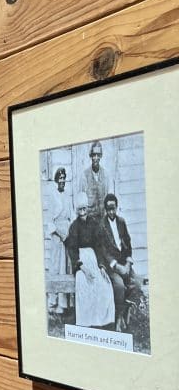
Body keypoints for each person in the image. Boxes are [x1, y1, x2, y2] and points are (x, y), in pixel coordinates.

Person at [64, 191, 115, 328]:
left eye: (84, 208)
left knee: (104, 284)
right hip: (81, 261)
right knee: (84, 283)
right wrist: (82, 268)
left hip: (93, 258)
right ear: (77, 210)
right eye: (80, 209)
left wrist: (102, 266)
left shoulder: (94, 223)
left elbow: (99, 246)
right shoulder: (74, 226)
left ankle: (101, 320)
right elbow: (72, 250)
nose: (82, 212)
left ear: (87, 208)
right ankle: (87, 320)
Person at [97, 193, 143, 331]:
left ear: (117, 207)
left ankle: (125, 311)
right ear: (105, 209)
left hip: (124, 263)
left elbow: (128, 244)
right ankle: (118, 318)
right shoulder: (101, 226)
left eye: (113, 208)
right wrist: (117, 266)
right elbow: (103, 251)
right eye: (109, 209)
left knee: (137, 283)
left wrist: (128, 264)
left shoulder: (121, 222)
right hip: (112, 266)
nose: (111, 212)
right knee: (119, 286)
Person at [45, 166, 74, 315]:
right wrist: (59, 233)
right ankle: (53, 301)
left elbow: (71, 216)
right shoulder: (52, 196)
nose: (62, 181)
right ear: (56, 180)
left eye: (64, 178)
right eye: (60, 178)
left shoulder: (68, 195)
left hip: (66, 233)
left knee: (66, 266)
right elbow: (50, 220)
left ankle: (65, 303)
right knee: (56, 266)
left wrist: (69, 233)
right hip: (57, 235)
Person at [79, 140, 111, 222]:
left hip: (102, 219)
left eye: (98, 155)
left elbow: (108, 198)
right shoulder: (84, 176)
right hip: (89, 221)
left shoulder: (106, 175)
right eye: (94, 155)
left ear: (101, 156)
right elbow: (82, 202)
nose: (96, 158)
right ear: (90, 156)